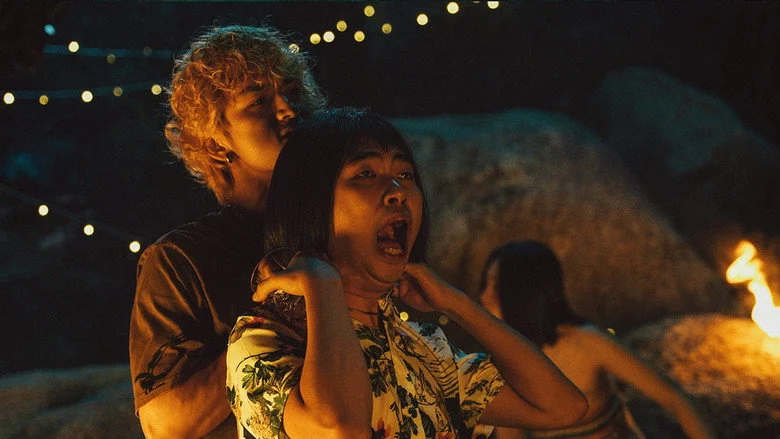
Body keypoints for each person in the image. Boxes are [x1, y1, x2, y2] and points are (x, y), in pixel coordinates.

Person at [226, 107, 589, 439]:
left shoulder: (422, 346)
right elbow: (341, 429)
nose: (397, 191)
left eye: (405, 174)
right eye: (365, 173)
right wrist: (322, 284)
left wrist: (456, 303)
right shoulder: (265, 339)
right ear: (309, 204)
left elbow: (562, 407)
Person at [129, 24, 325, 439]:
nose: (289, 109)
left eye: (293, 91)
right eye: (258, 101)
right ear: (216, 143)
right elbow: (166, 423)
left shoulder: (340, 227)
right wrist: (284, 314)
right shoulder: (181, 259)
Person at [478, 240, 715, 439]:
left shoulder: (587, 343)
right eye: (485, 285)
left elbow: (675, 399)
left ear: (525, 294)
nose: (484, 296)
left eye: (496, 286)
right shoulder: (505, 361)